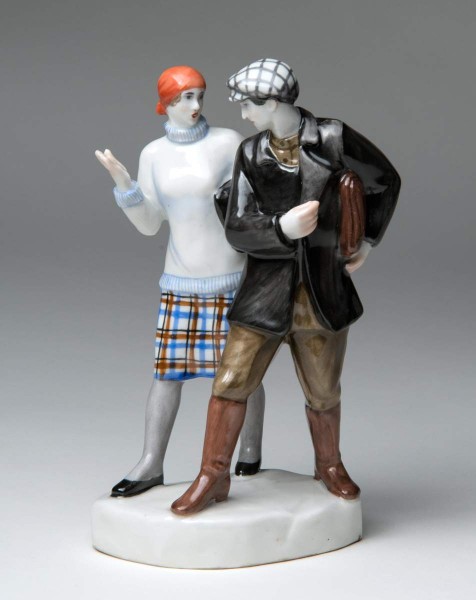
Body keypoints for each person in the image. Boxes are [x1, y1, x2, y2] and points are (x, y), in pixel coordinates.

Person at [171, 58, 401, 516]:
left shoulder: (332, 137)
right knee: (231, 381)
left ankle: (329, 465)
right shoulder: (251, 153)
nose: (243, 116)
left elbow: (385, 181)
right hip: (265, 292)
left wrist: (368, 239)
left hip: (322, 289)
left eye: (248, 106)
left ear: (273, 102)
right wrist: (281, 228)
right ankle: (212, 475)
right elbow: (236, 226)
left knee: (323, 390)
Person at [95, 65, 265, 497]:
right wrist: (125, 186)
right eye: (185, 97)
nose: (195, 105)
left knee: (242, 374)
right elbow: (150, 224)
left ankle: (249, 451)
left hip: (231, 275)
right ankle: (151, 462)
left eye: (199, 95)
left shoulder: (228, 142)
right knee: (166, 374)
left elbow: (252, 204)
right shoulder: (154, 154)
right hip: (181, 280)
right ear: (166, 103)